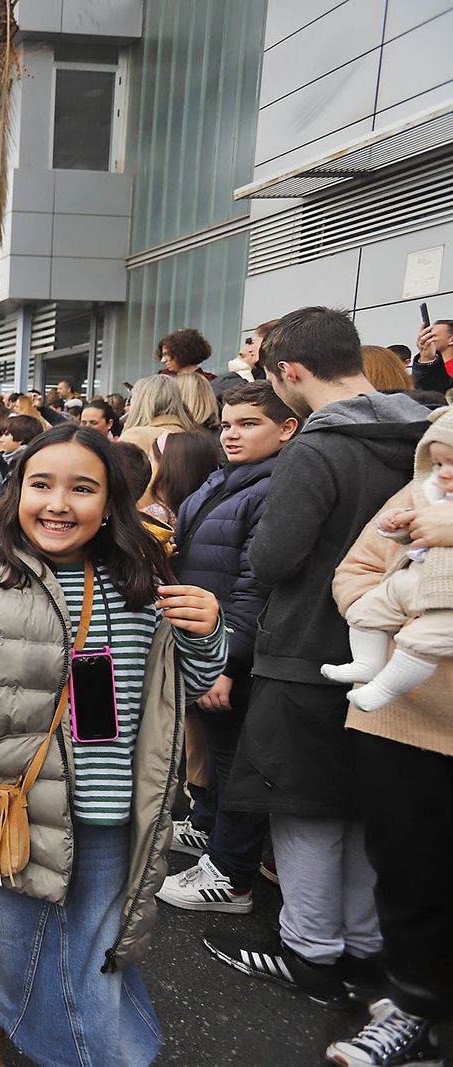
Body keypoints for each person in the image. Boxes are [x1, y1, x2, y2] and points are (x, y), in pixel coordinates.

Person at [0, 422, 225, 1065]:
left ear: (111, 502)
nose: (59, 504)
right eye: (41, 484)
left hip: (109, 819)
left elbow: (191, 689)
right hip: (1, 811)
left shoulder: (142, 584)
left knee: (88, 973)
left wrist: (208, 634)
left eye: (83, 488)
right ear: (18, 493)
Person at [210, 307, 431, 1007]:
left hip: (308, 648)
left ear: (291, 372)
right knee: (368, 806)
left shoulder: (318, 447)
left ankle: (309, 953)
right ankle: (365, 951)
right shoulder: (426, 431)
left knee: (302, 806)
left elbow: (274, 557)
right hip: (403, 654)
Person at [322, 463, 453, 1067]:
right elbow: (355, 570)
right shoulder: (425, 488)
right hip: (401, 718)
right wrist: (401, 616)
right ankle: (413, 1005)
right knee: (408, 872)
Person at [157, 382, 299, 917]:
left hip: (232, 650)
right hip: (202, 639)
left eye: (248, 424)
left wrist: (227, 662)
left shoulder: (275, 488)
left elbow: (253, 584)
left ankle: (229, 874)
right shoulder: (227, 479)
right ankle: (209, 830)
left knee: (237, 758)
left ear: (287, 429)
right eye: (227, 424)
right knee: (219, 751)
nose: (232, 434)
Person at [322, 408, 453, 711]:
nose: (444, 472)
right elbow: (362, 562)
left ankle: (382, 687)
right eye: (438, 463)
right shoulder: (429, 492)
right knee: (366, 611)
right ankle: (367, 663)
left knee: (420, 640)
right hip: (412, 581)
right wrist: (399, 526)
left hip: (443, 597)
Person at [412, 319, 452, 395]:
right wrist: (426, 359)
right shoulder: (428, 366)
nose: (427, 339)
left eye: (432, 336)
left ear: (451, 340)